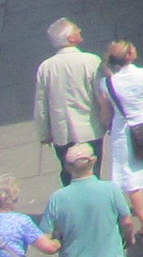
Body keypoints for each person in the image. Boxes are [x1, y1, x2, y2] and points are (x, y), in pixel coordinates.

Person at [99, 40, 143, 241]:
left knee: (132, 177)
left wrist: (105, 128)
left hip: (123, 132)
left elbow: (106, 113)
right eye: (132, 48)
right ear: (128, 55)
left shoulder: (106, 83)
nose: (136, 49)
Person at [32, 19, 106, 177]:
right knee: (93, 173)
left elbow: (41, 105)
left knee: (68, 175)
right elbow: (101, 94)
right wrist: (107, 119)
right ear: (71, 39)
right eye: (76, 29)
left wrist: (43, 133)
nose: (80, 29)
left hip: (62, 133)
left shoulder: (46, 68)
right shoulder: (91, 61)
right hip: (90, 130)